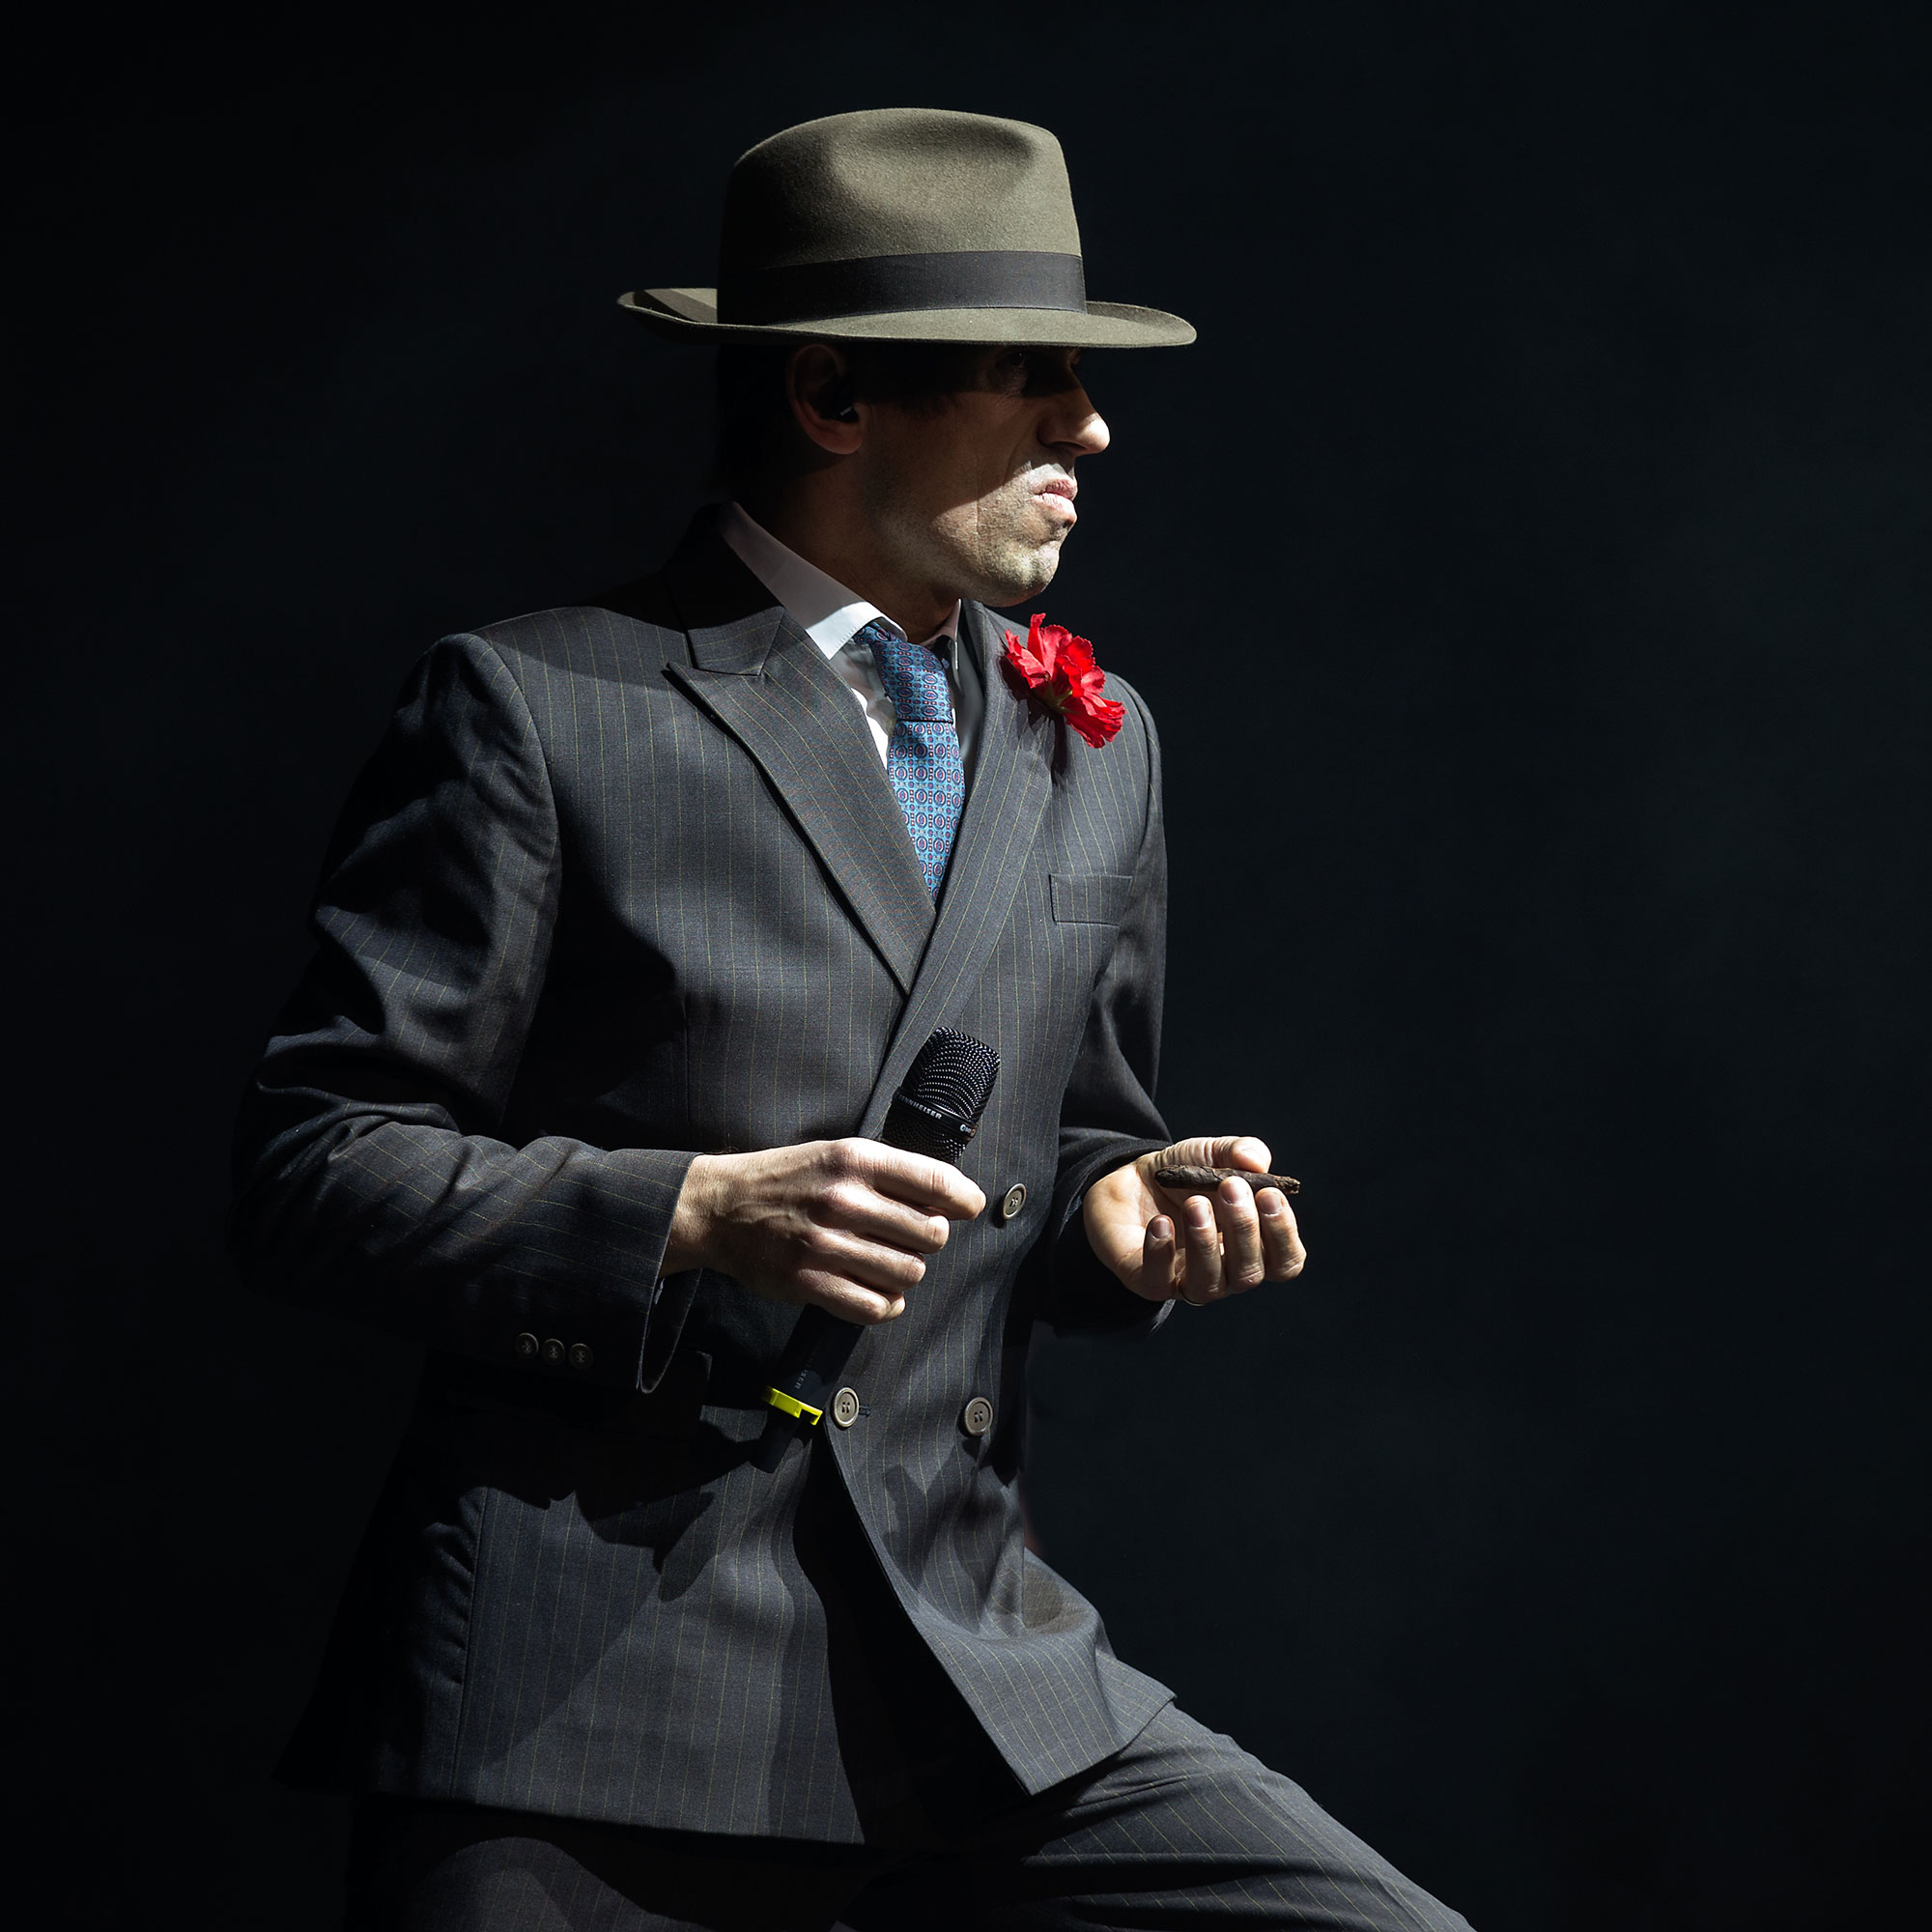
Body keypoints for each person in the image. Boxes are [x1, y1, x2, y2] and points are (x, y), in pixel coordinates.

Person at [232, 107, 1472, 1931]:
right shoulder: (546, 706)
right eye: (1032, 376)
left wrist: (1116, 1216)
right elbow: (313, 1166)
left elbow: (1074, 1135)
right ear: (830, 396)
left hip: (965, 1666)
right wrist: (682, 1212)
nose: (1090, 427)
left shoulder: (1091, 739)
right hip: (593, 1689)